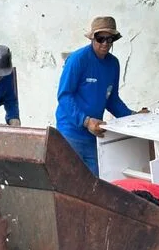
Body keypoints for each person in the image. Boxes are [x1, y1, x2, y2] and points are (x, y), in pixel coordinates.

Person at [56, 16, 145, 176]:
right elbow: (64, 96)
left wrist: (133, 117)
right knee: (74, 181)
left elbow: (112, 99)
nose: (105, 43)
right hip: (71, 133)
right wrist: (85, 121)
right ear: (92, 38)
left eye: (109, 39)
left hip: (95, 133)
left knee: (97, 181)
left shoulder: (113, 64)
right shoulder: (78, 59)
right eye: (100, 38)